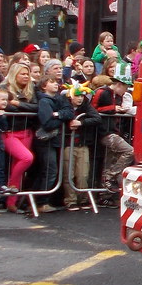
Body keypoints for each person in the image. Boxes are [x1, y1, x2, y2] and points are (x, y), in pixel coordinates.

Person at [91, 66, 134, 197]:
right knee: (130, 151)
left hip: (113, 130)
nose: (127, 90)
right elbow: (92, 109)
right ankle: (110, 175)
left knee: (109, 161)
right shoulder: (102, 92)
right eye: (126, 87)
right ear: (120, 84)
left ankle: (105, 195)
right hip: (104, 132)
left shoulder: (117, 96)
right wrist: (113, 108)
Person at [33, 75, 73, 212]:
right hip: (46, 141)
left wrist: (58, 114)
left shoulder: (60, 98)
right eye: (52, 82)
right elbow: (47, 123)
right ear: (44, 86)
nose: (56, 84)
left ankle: (42, 200)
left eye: (56, 82)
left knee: (50, 170)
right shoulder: (44, 101)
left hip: (55, 140)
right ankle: (41, 201)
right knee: (50, 170)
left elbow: (70, 112)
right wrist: (61, 119)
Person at [0, 62, 37, 212]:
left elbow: (37, 107)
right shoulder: (4, 88)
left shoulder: (30, 90)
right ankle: (11, 189)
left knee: (19, 167)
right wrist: (18, 105)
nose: (26, 77)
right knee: (26, 158)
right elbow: (7, 106)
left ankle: (11, 202)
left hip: (26, 132)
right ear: (14, 74)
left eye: (27, 74)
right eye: (23, 73)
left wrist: (18, 104)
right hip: (10, 132)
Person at [64, 83, 100, 211]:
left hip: (82, 143)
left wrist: (81, 122)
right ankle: (71, 200)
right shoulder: (65, 105)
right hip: (68, 144)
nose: (80, 99)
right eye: (77, 96)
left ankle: (83, 198)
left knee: (83, 174)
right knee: (69, 173)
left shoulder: (86, 106)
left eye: (82, 96)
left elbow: (97, 118)